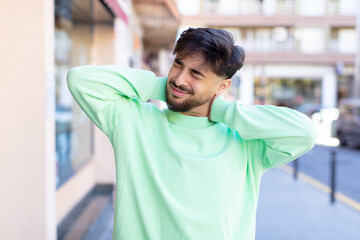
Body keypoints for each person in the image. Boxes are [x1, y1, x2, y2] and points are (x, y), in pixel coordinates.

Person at [67, 28, 317, 240]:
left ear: (222, 86)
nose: (179, 79)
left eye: (196, 73)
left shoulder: (245, 144)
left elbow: (304, 132)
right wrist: (160, 85)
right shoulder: (134, 122)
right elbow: (80, 79)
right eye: (178, 64)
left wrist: (224, 110)